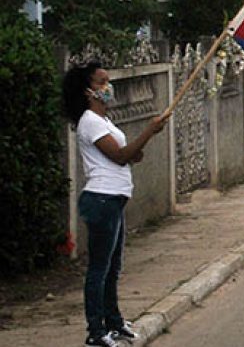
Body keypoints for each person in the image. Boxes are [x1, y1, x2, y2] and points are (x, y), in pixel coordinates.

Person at [62, 62, 167, 347]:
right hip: (101, 199)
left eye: (108, 80)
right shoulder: (90, 121)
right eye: (101, 82)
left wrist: (136, 153)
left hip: (114, 198)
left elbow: (122, 155)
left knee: (113, 267)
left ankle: (114, 321)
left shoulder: (105, 121)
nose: (108, 87)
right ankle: (96, 331)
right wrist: (149, 131)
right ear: (88, 91)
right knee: (100, 268)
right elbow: (119, 156)